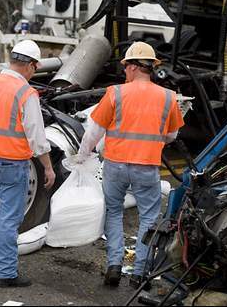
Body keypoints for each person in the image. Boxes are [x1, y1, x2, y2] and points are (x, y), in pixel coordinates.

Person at [76, 41, 185, 288]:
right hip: (146, 166)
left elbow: (93, 133)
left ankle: (114, 265)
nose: (124, 71)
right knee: (148, 218)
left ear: (135, 67)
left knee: (113, 211)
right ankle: (139, 273)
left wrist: (82, 157)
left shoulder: (114, 93)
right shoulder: (168, 97)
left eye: (126, 66)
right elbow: (172, 136)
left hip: (115, 165)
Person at [0, 39, 56, 288]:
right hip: (13, 164)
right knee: (9, 219)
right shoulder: (26, 93)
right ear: (31, 65)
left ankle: (2, 264)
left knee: (5, 217)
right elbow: (37, 136)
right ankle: (6, 273)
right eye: (35, 68)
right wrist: (48, 167)